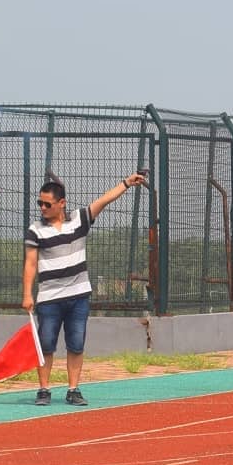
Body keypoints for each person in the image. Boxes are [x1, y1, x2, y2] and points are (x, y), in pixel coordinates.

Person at [21, 172, 147, 406]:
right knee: (46, 344)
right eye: (40, 203)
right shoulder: (35, 229)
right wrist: (27, 294)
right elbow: (30, 263)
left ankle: (73, 389)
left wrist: (127, 183)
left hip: (78, 297)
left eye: (47, 204)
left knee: (76, 344)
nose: (42, 208)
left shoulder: (79, 219)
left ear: (61, 203)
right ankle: (44, 390)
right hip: (48, 298)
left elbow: (104, 200)